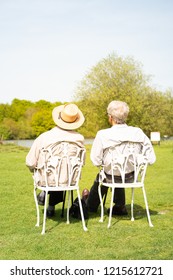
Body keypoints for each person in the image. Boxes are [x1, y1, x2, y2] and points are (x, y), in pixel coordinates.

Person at [83, 100, 156, 215]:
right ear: (125, 116)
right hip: (132, 176)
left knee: (106, 174)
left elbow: (95, 160)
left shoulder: (103, 134)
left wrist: (105, 163)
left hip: (111, 176)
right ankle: (119, 206)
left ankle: (91, 206)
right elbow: (151, 159)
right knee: (117, 170)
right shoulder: (137, 132)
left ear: (110, 117)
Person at [26, 103, 85, 217]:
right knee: (62, 171)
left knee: (54, 172)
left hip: (47, 179)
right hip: (70, 179)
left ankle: (45, 193)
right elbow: (82, 162)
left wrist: (35, 170)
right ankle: (50, 205)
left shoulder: (44, 137)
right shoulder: (79, 138)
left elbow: (30, 162)